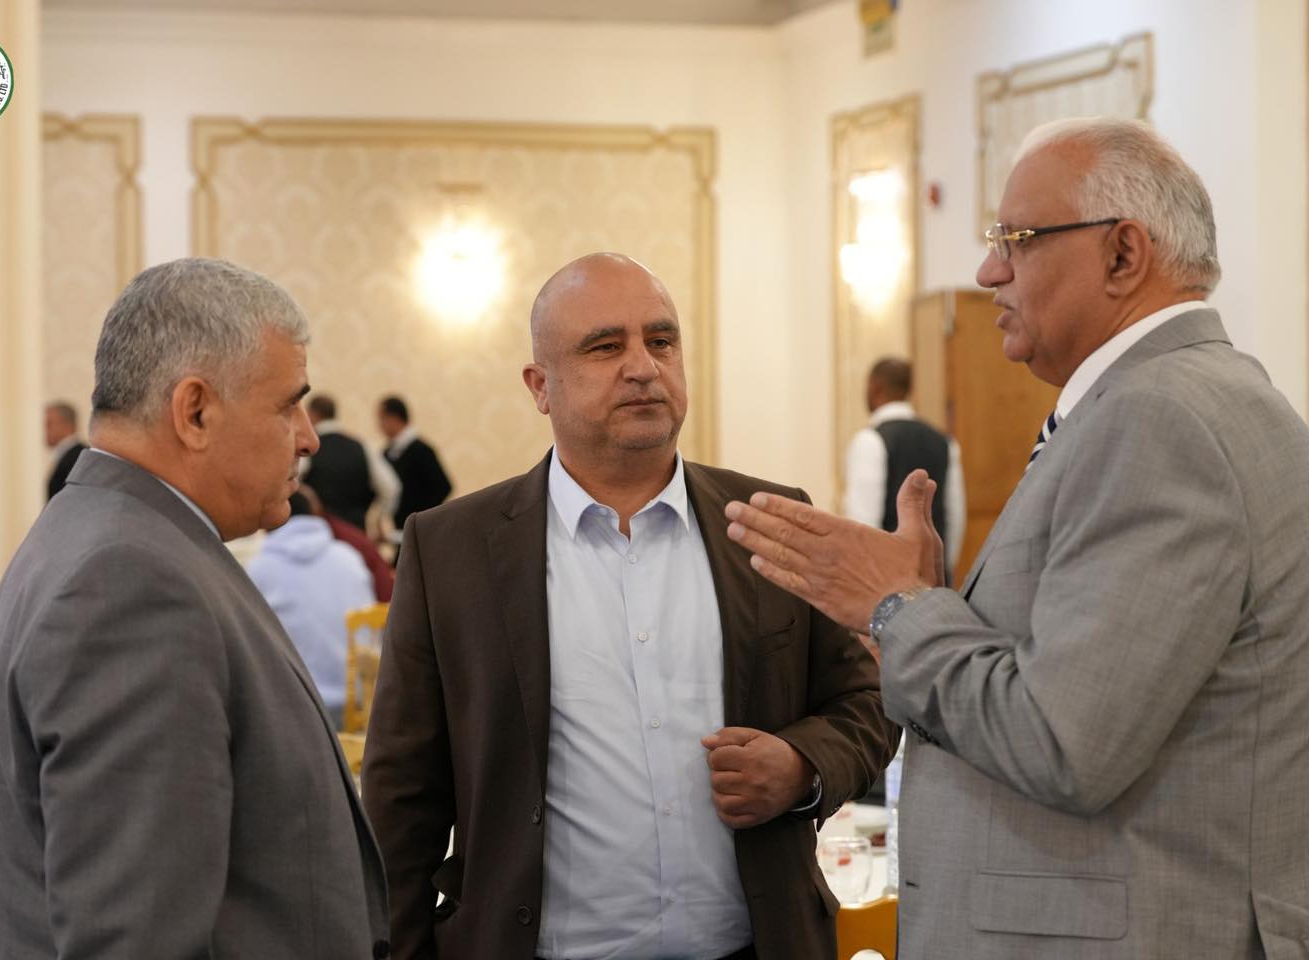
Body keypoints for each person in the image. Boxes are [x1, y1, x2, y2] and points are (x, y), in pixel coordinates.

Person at [723, 118, 1309, 958]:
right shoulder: (1186, 400)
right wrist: (931, 615)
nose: (988, 271)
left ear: (1122, 254)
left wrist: (898, 608)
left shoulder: (1158, 421)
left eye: (1015, 240)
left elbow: (1063, 743)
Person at [362, 253, 895, 960]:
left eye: (661, 340)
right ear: (540, 386)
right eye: (605, 346)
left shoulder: (769, 522)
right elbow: (402, 796)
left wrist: (801, 766)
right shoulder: (451, 551)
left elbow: (868, 700)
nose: (643, 367)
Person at [0, 258, 389, 959]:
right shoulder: (130, 581)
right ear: (195, 412)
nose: (308, 437)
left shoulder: (110, 532)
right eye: (287, 405)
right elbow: (136, 936)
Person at [247, 490, 378, 728]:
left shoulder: (261, 570)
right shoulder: (348, 557)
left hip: (299, 709)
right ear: (315, 513)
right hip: (363, 706)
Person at [843, 357, 965, 584]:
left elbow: (863, 525)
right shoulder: (945, 442)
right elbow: (955, 517)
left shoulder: (870, 440)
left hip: (887, 584)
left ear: (875, 386)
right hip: (935, 581)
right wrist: (942, 570)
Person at [304, 393, 400, 535]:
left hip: (319, 534)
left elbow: (289, 485)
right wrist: (378, 519)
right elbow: (391, 487)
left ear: (312, 414)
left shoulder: (309, 449)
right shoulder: (361, 447)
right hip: (356, 534)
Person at [377, 394, 452, 538]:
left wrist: (422, 518)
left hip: (422, 531)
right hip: (399, 530)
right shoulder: (387, 453)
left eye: (381, 418)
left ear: (394, 418)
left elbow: (444, 487)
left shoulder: (422, 450)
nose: (379, 425)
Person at [43, 400, 86, 500]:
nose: (44, 430)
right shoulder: (68, 455)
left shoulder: (78, 457)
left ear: (66, 425)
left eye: (49, 424)